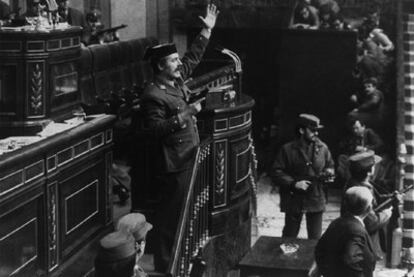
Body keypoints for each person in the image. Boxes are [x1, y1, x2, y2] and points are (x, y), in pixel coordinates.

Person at [140, 3, 219, 272]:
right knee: (171, 218)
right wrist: (187, 113)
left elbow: (192, 60)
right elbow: (153, 131)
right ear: (161, 65)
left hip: (188, 155)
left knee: (185, 213)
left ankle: (182, 258)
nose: (179, 64)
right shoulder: (153, 94)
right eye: (173, 61)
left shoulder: (173, 81)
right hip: (174, 163)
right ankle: (167, 266)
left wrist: (206, 32)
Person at [271, 114, 334, 239]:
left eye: (317, 130)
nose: (316, 134)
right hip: (294, 197)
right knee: (290, 235)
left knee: (315, 237)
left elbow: (330, 164)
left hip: (316, 196)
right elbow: (276, 172)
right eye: (312, 130)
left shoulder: (323, 148)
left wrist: (329, 172)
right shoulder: (287, 149)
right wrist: (293, 183)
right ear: (301, 130)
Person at [341, 150, 394, 260]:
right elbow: (372, 223)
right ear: (369, 171)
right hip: (363, 244)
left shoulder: (356, 183)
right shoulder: (362, 191)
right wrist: (387, 213)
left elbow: (374, 201)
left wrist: (391, 197)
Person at [313, 186, 376, 277]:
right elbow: (350, 260)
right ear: (369, 208)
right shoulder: (357, 231)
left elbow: (320, 248)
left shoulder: (337, 222)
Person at [337, 118, 383, 184]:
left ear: (363, 127)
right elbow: (346, 146)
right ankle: (350, 181)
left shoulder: (369, 133)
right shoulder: (354, 136)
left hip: (368, 157)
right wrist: (353, 148)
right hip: (358, 158)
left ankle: (365, 181)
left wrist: (366, 148)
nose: (355, 130)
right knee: (342, 158)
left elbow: (380, 144)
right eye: (353, 128)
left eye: (357, 128)